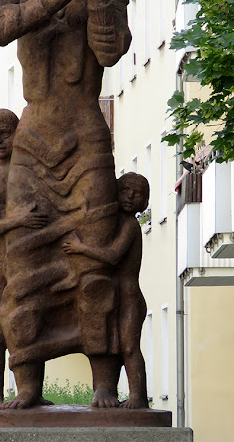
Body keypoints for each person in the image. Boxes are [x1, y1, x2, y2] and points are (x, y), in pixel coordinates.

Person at [0, 0, 131, 409]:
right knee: (25, 259)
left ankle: (105, 385)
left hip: (85, 129)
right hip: (36, 134)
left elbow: (111, 47)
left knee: (95, 258)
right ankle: (27, 387)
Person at [0, 109, 49, 409]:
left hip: (28, 259)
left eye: (5, 133)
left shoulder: (29, 174)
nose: (0, 140)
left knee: (30, 326)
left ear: (17, 133)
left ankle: (31, 391)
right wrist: (20, 219)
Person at [62, 172, 150, 409]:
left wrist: (81, 247)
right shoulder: (114, 223)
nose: (130, 197)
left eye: (137, 193)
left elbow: (112, 256)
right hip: (117, 295)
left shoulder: (130, 225)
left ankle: (138, 397)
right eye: (125, 191)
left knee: (129, 347)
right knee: (117, 345)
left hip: (129, 296)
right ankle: (117, 390)